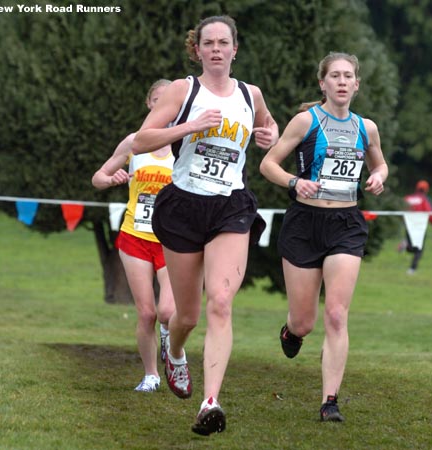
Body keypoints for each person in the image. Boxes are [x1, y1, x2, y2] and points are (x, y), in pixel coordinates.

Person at [133, 15, 278, 435]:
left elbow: (269, 128)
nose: (216, 49)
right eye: (208, 43)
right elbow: (141, 139)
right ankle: (175, 351)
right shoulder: (184, 90)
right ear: (197, 50)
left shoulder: (251, 94)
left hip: (230, 206)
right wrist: (190, 125)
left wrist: (270, 135)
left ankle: (210, 402)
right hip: (182, 206)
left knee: (220, 301)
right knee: (187, 315)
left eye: (223, 42)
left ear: (236, 49)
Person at [259, 52, 388, 422]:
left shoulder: (368, 127)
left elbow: (379, 161)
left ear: (357, 84)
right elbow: (268, 164)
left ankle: (330, 401)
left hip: (346, 224)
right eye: (335, 76)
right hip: (304, 224)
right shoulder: (306, 121)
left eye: (349, 76)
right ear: (323, 83)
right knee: (305, 321)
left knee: (335, 314)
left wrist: (379, 175)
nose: (342, 82)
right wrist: (296, 182)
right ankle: (292, 331)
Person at [91, 79, 176, 392]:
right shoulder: (134, 142)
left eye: (171, 100)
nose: (164, 105)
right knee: (147, 312)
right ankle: (151, 374)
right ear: (150, 104)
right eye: (158, 99)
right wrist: (111, 178)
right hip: (135, 236)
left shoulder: (184, 145)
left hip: (172, 241)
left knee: (168, 311)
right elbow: (98, 178)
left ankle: (172, 346)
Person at [400, 180, 432, 275]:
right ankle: (412, 269)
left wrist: (403, 221)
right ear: (426, 190)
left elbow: (401, 210)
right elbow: (429, 213)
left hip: (409, 225)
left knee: (411, 246)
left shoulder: (408, 198)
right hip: (420, 226)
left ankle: (406, 245)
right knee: (419, 249)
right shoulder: (424, 200)